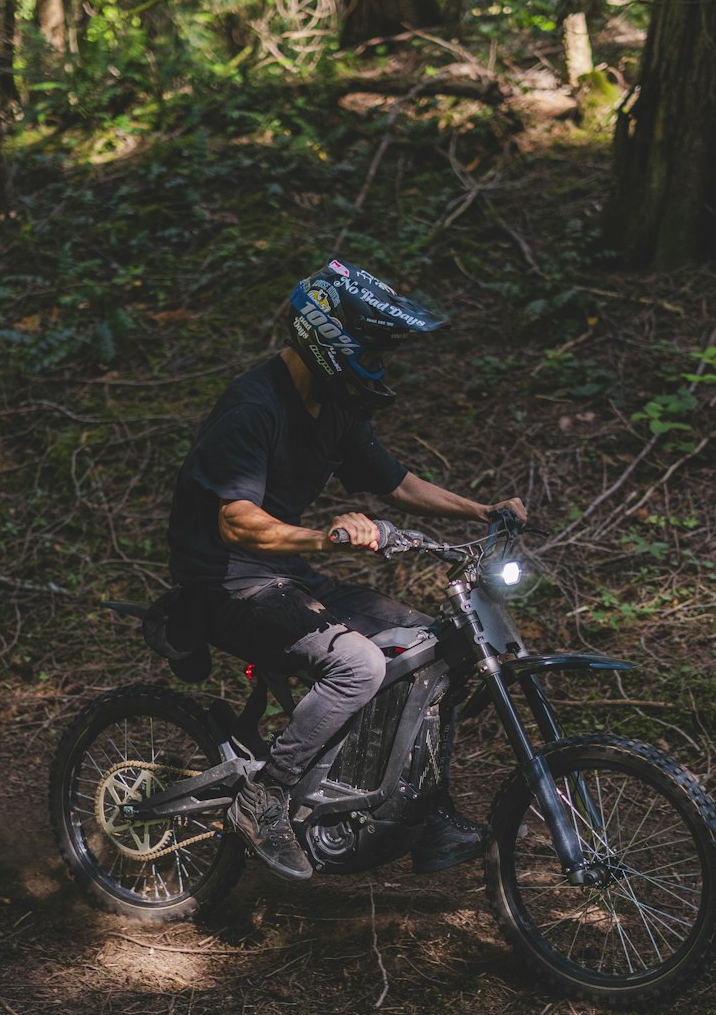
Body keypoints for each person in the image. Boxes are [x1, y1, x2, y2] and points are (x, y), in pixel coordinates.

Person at [167, 259, 526, 882]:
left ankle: (422, 808)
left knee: (437, 647)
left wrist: (482, 510)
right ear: (330, 339)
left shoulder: (334, 406)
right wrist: (327, 536)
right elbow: (237, 523)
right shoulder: (253, 407)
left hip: (286, 575)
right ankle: (266, 798)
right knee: (357, 663)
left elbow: (396, 482)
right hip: (227, 582)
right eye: (370, 347)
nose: (379, 364)